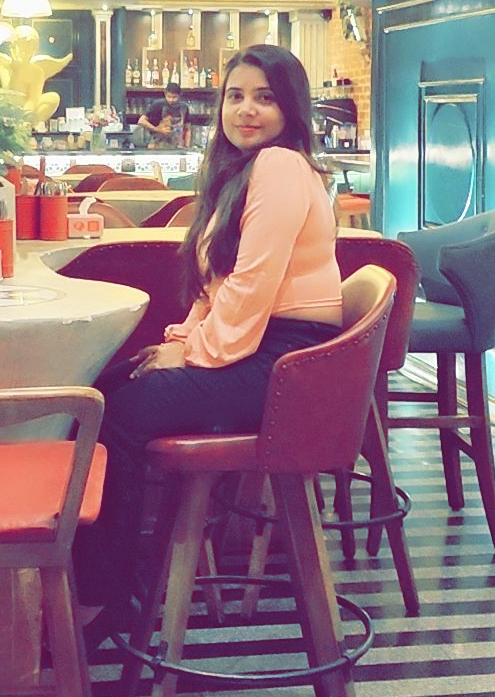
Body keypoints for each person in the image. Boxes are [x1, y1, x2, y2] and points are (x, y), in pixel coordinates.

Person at [76, 44, 342, 622]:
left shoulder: (279, 166)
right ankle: (104, 579)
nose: (247, 110)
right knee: (100, 391)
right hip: (264, 347)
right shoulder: (241, 173)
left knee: (112, 413)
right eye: (235, 96)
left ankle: (105, 596)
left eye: (265, 98)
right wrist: (182, 342)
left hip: (285, 362)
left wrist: (195, 353)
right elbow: (217, 285)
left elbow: (252, 286)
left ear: (291, 108)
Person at [137, 80, 185, 147]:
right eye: (169, 96)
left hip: (174, 144)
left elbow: (187, 128)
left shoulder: (184, 107)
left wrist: (186, 146)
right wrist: (159, 130)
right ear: (165, 94)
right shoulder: (157, 104)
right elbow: (141, 121)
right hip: (156, 144)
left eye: (174, 97)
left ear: (180, 95)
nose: (171, 100)